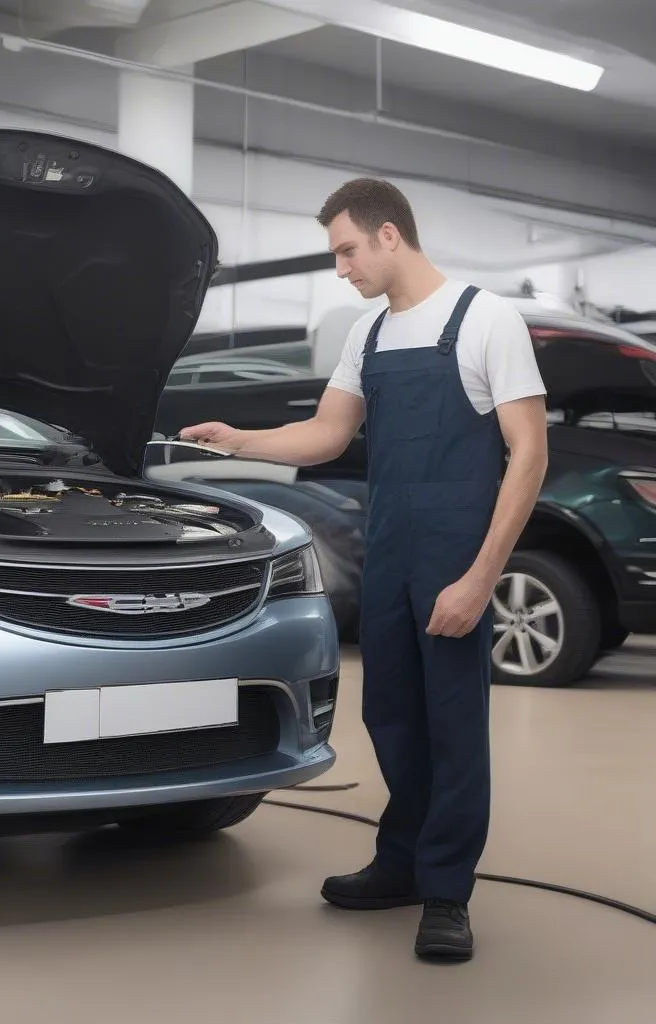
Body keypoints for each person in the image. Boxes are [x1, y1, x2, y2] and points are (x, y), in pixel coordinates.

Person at [180, 178, 549, 962]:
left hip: (456, 555)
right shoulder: (369, 334)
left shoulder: (485, 319)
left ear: (390, 236)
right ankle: (400, 863)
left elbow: (529, 454)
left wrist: (483, 576)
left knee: (453, 725)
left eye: (347, 249)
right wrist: (236, 440)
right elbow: (324, 435)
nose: (341, 268)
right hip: (388, 550)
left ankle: (446, 892)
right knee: (391, 716)